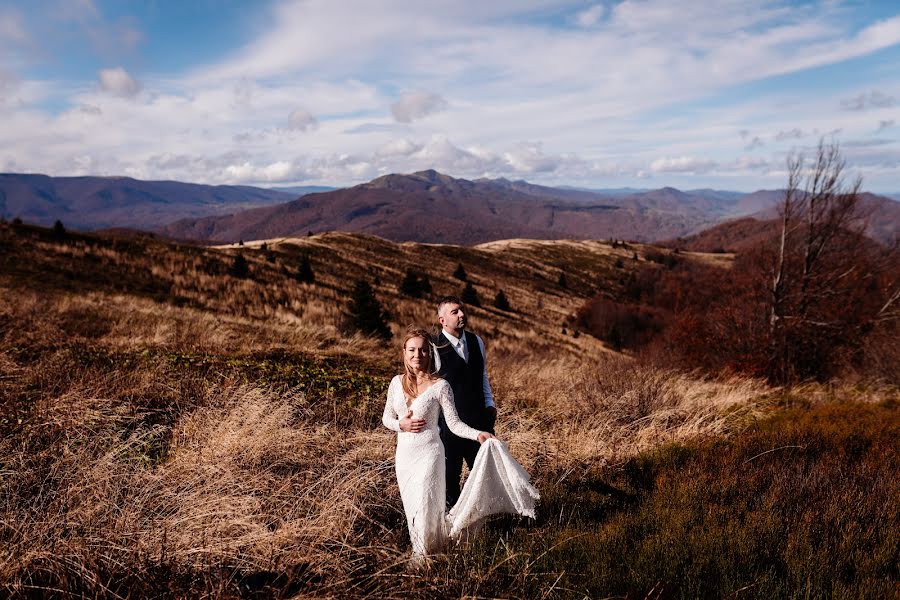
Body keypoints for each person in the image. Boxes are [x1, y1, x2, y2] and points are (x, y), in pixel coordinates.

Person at [382, 326, 494, 560]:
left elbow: (453, 424)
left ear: (430, 354)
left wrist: (478, 434)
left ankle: (422, 560)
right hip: (404, 458)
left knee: (425, 507)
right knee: (413, 509)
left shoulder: (441, 386)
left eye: (423, 350)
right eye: (412, 350)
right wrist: (399, 425)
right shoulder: (396, 382)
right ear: (404, 352)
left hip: (430, 456)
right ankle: (429, 550)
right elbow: (386, 418)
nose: (417, 355)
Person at [432, 296, 496, 508]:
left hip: (480, 422)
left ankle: (485, 523)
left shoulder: (476, 341)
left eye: (462, 310)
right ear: (442, 320)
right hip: (450, 429)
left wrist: (490, 405)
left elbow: (482, 375)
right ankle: (455, 530)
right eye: (455, 312)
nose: (462, 315)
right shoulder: (434, 347)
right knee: (450, 482)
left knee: (485, 477)